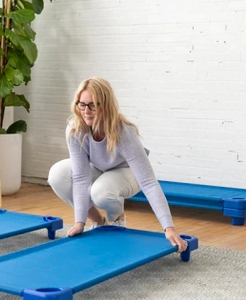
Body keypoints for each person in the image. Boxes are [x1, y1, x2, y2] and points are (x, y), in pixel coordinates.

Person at [48, 77, 188, 253]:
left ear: (105, 105)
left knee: (101, 193)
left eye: (92, 105)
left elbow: (149, 183)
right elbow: (81, 177)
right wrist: (79, 222)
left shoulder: (123, 131)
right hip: (101, 169)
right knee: (57, 175)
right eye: (81, 105)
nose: (86, 111)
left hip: (127, 173)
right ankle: (98, 221)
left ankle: (117, 218)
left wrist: (169, 228)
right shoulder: (75, 129)